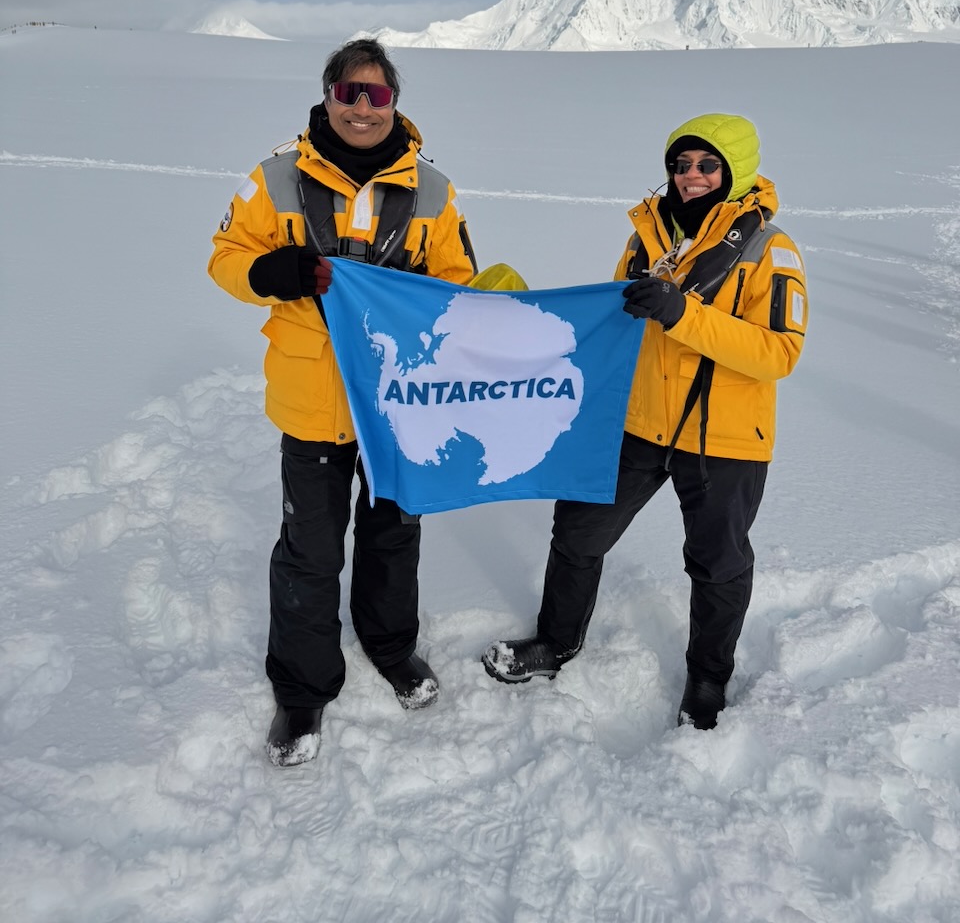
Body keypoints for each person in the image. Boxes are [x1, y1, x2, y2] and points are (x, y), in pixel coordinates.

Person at [482, 113, 807, 729]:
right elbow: (617, 324)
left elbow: (779, 352)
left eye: (706, 165)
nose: (690, 177)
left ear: (734, 171)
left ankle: (708, 681)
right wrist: (533, 322)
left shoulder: (771, 248)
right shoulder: (645, 241)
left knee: (717, 564)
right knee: (577, 534)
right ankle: (556, 642)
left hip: (726, 437)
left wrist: (682, 315)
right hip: (639, 423)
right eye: (680, 166)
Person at [209, 38, 477, 766]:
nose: (363, 107)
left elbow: (457, 279)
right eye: (348, 92)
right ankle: (301, 690)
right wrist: (271, 270)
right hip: (312, 398)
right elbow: (225, 257)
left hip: (399, 402)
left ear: (396, 102)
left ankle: (391, 648)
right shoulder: (274, 178)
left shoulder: (434, 190)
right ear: (328, 96)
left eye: (377, 94)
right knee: (310, 550)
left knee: (393, 534)